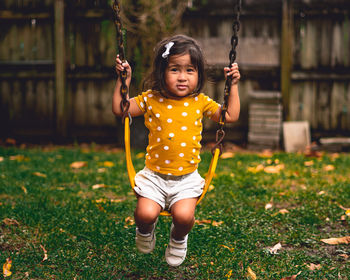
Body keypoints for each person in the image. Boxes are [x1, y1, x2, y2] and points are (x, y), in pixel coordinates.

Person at [113, 34, 240, 267]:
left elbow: (230, 115)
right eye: (174, 70)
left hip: (186, 180)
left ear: (198, 74)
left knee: (184, 217)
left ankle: (178, 238)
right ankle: (145, 231)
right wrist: (124, 81)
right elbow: (122, 109)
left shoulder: (200, 101)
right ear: (162, 72)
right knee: (144, 215)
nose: (183, 77)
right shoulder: (151, 99)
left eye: (190, 70)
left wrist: (232, 86)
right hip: (154, 177)